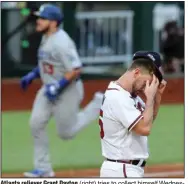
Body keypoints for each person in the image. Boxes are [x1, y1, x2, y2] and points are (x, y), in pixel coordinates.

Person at [20, 4, 103, 177]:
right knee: (36, 123)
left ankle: (98, 104)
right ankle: (43, 169)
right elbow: (48, 62)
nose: (38, 21)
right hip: (48, 88)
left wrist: (58, 86)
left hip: (68, 91)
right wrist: (33, 74)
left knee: (66, 133)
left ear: (53, 22)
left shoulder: (62, 42)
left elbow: (75, 69)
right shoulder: (46, 37)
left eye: (42, 18)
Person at [99, 51, 167, 178]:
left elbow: (147, 122)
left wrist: (157, 97)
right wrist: (150, 97)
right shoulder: (118, 97)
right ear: (136, 72)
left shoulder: (128, 96)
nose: (147, 87)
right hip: (122, 170)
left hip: (125, 169)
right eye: (147, 82)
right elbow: (144, 129)